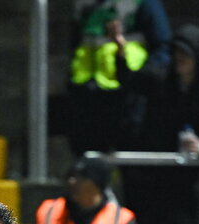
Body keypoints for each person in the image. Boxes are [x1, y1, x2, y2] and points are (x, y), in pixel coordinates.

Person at [115, 23, 199, 224]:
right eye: (177, 52)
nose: (180, 58)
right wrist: (121, 55)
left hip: (182, 184)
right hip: (149, 178)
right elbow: (130, 81)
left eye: (186, 54)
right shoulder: (159, 78)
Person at [68, 0, 172, 154]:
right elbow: (77, 42)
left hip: (126, 96)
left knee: (128, 159)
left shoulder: (142, 3)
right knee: (87, 162)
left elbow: (162, 48)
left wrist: (140, 80)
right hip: (86, 93)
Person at [32, 157, 147, 224]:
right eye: (71, 176)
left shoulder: (119, 216)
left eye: (81, 178)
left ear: (98, 184)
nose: (72, 182)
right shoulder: (49, 211)